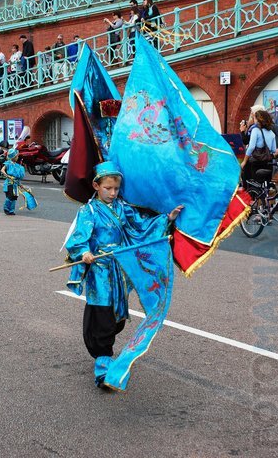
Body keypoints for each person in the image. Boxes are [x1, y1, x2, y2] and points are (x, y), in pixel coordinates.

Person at [64, 161, 183, 387]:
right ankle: (102, 365)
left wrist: (167, 219)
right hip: (100, 270)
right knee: (102, 316)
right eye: (108, 188)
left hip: (118, 268)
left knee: (116, 318)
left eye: (116, 188)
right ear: (96, 186)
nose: (112, 193)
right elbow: (79, 237)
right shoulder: (88, 211)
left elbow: (141, 226)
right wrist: (85, 251)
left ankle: (104, 351)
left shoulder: (122, 208)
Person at [241, 110, 277, 187]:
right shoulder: (272, 133)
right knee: (264, 186)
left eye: (254, 118)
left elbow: (251, 147)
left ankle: (251, 195)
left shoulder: (256, 130)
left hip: (256, 162)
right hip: (268, 163)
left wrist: (244, 161)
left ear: (258, 119)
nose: (253, 120)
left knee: (251, 182)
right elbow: (274, 150)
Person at [1, 148, 25, 216]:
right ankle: (6, 208)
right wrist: (6, 175)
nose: (17, 157)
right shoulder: (8, 163)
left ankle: (11, 210)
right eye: (16, 156)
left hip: (15, 184)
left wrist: (20, 184)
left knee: (14, 197)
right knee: (10, 196)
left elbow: (18, 178)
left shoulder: (17, 166)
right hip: (9, 183)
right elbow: (2, 170)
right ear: (13, 157)